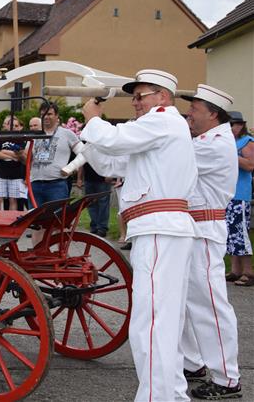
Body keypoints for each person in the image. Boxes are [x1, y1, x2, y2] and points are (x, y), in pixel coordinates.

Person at [80, 69, 199, 402]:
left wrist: (93, 118)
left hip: (160, 228)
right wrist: (85, 138)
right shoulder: (157, 133)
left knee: (151, 323)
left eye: (139, 96)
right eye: (133, 97)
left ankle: (155, 398)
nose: (134, 103)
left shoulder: (163, 120)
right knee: (165, 321)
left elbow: (115, 140)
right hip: (160, 229)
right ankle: (171, 395)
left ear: (162, 97)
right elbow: (112, 165)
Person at [179, 84, 242, 399]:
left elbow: (173, 159)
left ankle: (227, 378)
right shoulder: (208, 139)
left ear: (213, 113)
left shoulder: (214, 143)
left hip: (204, 229)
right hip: (196, 227)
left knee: (209, 304)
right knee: (189, 301)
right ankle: (194, 362)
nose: (190, 112)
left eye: (195, 107)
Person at [29, 101, 79, 207]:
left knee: (57, 219)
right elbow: (27, 159)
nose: (46, 117)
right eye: (43, 114)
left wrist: (71, 168)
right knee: (34, 220)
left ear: (57, 116)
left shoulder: (66, 134)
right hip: (35, 184)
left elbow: (84, 153)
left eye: (49, 114)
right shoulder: (34, 135)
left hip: (57, 185)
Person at [225, 110, 254, 287]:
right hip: (229, 194)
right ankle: (236, 270)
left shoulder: (247, 142)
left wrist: (231, 155)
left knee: (240, 233)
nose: (230, 128)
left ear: (240, 125)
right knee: (231, 234)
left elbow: (251, 165)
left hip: (241, 195)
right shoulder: (231, 142)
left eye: (233, 125)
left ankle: (248, 271)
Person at [0, 114, 27, 210]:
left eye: (16, 126)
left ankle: (11, 220)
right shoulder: (2, 138)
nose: (13, 128)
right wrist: (10, 155)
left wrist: (4, 151)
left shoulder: (21, 140)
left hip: (16, 175)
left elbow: (22, 155)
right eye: (11, 125)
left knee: (13, 200)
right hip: (0, 174)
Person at [79, 162, 111, 237]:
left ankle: (102, 228)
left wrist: (109, 174)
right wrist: (79, 178)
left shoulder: (103, 149)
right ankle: (95, 226)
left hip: (103, 179)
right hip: (88, 179)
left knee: (103, 204)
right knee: (90, 204)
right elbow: (81, 162)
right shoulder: (85, 149)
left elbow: (110, 158)